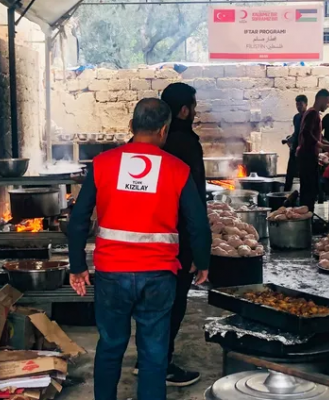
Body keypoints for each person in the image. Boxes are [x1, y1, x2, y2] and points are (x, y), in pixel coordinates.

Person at [67, 98, 211, 400]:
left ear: (131, 127)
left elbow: (79, 217)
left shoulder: (103, 164)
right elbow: (197, 221)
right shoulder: (177, 169)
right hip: (159, 276)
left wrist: (77, 265)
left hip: (111, 274)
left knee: (110, 345)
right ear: (164, 130)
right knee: (154, 354)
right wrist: (202, 260)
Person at [129, 82, 205, 387]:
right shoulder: (186, 144)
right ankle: (161, 363)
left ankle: (146, 359)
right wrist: (199, 252)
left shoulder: (136, 145)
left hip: (137, 238)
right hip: (175, 239)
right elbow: (195, 201)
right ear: (184, 110)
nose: (195, 112)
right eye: (194, 106)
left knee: (147, 303)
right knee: (172, 303)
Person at [296, 89, 329, 212]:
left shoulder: (312, 113)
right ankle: (306, 219)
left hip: (308, 156)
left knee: (309, 190)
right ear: (321, 99)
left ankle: (307, 217)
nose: (328, 105)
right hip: (307, 157)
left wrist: (327, 144)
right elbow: (306, 134)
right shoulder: (313, 113)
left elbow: (315, 135)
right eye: (327, 102)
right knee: (308, 191)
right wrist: (322, 146)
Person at [284, 95, 308, 192]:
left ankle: (304, 195)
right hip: (294, 149)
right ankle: (285, 195)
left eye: (301, 104)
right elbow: (297, 132)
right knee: (290, 174)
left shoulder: (309, 117)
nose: (299, 107)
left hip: (304, 151)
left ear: (306, 104)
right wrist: (290, 138)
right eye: (297, 105)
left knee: (304, 175)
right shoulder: (296, 117)